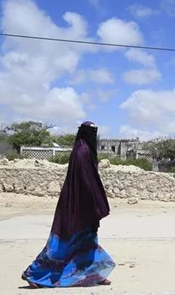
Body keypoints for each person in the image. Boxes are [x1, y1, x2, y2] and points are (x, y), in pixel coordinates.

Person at [21, 121, 115, 288]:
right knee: (61, 244)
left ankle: (95, 275)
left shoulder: (85, 150)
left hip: (83, 206)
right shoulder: (82, 152)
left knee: (88, 242)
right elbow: (85, 182)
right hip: (76, 205)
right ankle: (34, 274)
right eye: (91, 132)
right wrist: (95, 202)